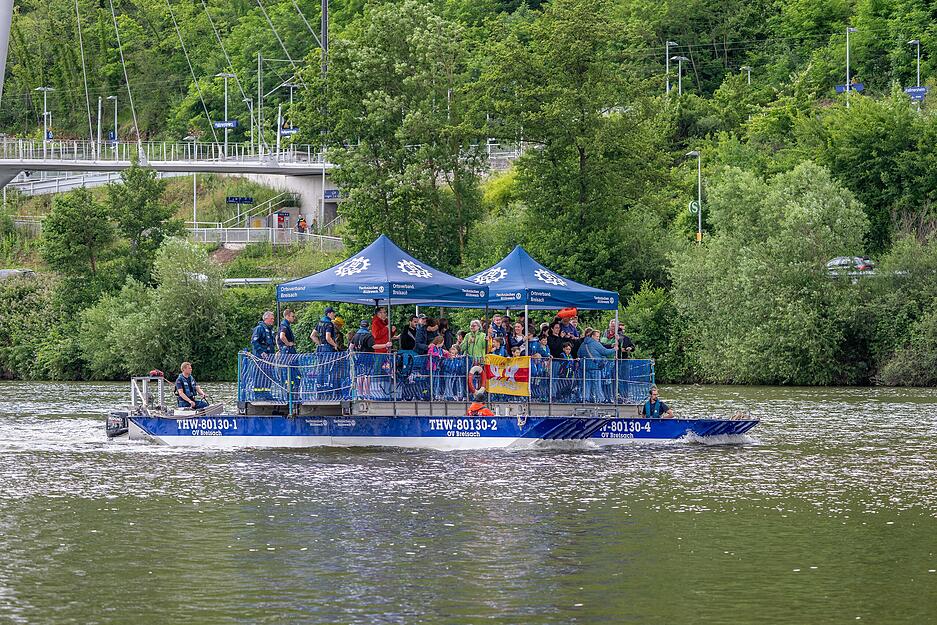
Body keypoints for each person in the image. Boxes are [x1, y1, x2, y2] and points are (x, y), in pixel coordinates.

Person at [579, 329, 616, 403]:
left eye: (599, 337)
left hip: (585, 367)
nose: (598, 338)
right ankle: (601, 399)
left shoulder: (583, 344)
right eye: (597, 336)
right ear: (592, 336)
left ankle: (585, 398)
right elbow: (605, 352)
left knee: (587, 384)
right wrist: (614, 349)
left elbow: (579, 353)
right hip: (595, 366)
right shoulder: (595, 343)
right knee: (597, 384)